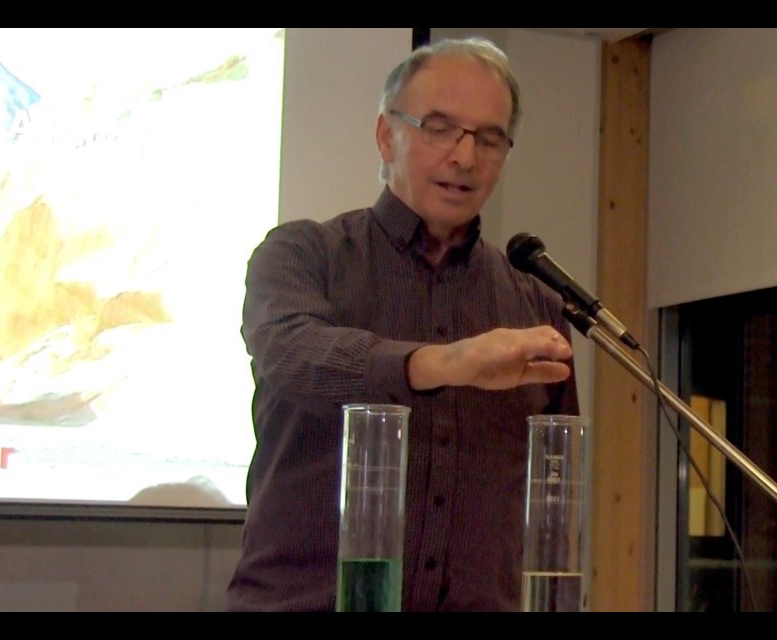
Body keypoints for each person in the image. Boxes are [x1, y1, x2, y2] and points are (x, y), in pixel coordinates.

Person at [225, 36, 580, 612]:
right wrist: (442, 364)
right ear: (387, 135)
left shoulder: (533, 304)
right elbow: (292, 357)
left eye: (489, 138)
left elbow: (555, 493)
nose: (465, 157)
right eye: (439, 128)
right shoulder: (302, 255)